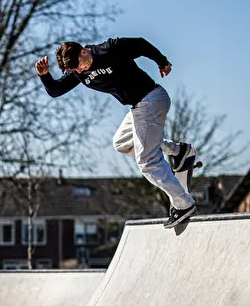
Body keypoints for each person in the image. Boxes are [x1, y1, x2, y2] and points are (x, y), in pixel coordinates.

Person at [35, 38, 197, 228]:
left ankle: (183, 204)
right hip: (138, 108)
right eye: (75, 71)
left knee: (147, 161)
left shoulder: (110, 49)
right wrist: (45, 76)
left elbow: (141, 45)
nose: (80, 71)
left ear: (84, 52)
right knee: (121, 143)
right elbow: (57, 89)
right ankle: (179, 151)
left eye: (79, 66)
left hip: (151, 99)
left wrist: (162, 62)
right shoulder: (79, 72)